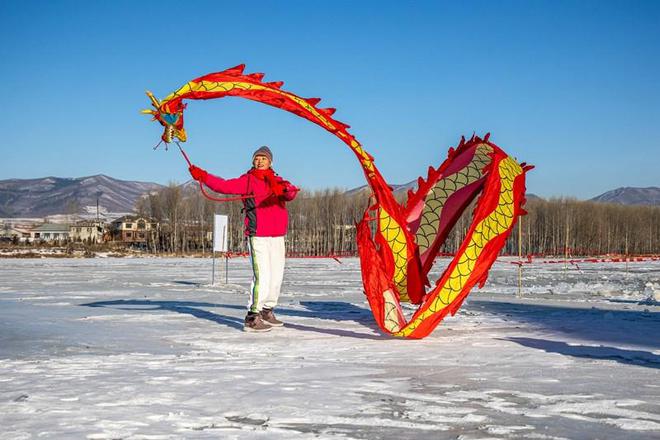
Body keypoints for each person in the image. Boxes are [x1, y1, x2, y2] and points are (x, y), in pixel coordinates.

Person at [189, 146, 299, 332]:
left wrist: (287, 188)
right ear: (253, 161)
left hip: (277, 234)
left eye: (264, 158)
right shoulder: (248, 180)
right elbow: (223, 186)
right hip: (259, 235)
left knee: (276, 276)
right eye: (257, 158)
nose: (260, 161)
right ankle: (252, 317)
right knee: (262, 276)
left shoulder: (278, 181)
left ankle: (267, 310)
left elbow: (290, 194)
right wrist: (203, 176)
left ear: (270, 162)